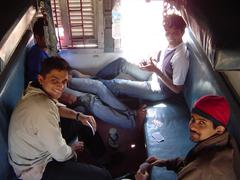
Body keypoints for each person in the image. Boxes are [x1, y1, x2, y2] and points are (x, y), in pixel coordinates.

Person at [26, 17, 146, 129]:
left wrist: (72, 73)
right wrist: (65, 96)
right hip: (59, 88)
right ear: (37, 37)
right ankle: (131, 122)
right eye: (48, 37)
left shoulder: (45, 50)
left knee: (98, 85)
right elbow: (39, 86)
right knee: (91, 100)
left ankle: (131, 113)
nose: (54, 39)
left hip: (65, 81)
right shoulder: (35, 55)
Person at [8, 57, 112, 180]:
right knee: (103, 176)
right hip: (35, 168)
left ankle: (103, 158)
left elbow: (56, 108)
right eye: (54, 80)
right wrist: (72, 149)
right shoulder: (42, 109)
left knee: (81, 116)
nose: (61, 86)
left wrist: (79, 116)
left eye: (64, 81)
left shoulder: (34, 89)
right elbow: (61, 155)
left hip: (36, 146)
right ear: (41, 79)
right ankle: (103, 171)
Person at [135, 95, 240, 180]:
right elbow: (188, 165)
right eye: (193, 118)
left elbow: (197, 168)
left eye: (202, 123)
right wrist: (165, 162)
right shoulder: (223, 140)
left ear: (219, 129)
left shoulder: (202, 168)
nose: (192, 126)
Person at [91, 14, 189, 101]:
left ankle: (89, 83)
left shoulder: (180, 57)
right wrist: (150, 63)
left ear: (182, 33)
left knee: (118, 85)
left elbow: (177, 89)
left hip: (160, 90)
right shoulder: (169, 44)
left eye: (175, 33)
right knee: (121, 63)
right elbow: (162, 61)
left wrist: (156, 70)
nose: (170, 37)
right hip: (154, 76)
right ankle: (93, 79)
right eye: (168, 33)